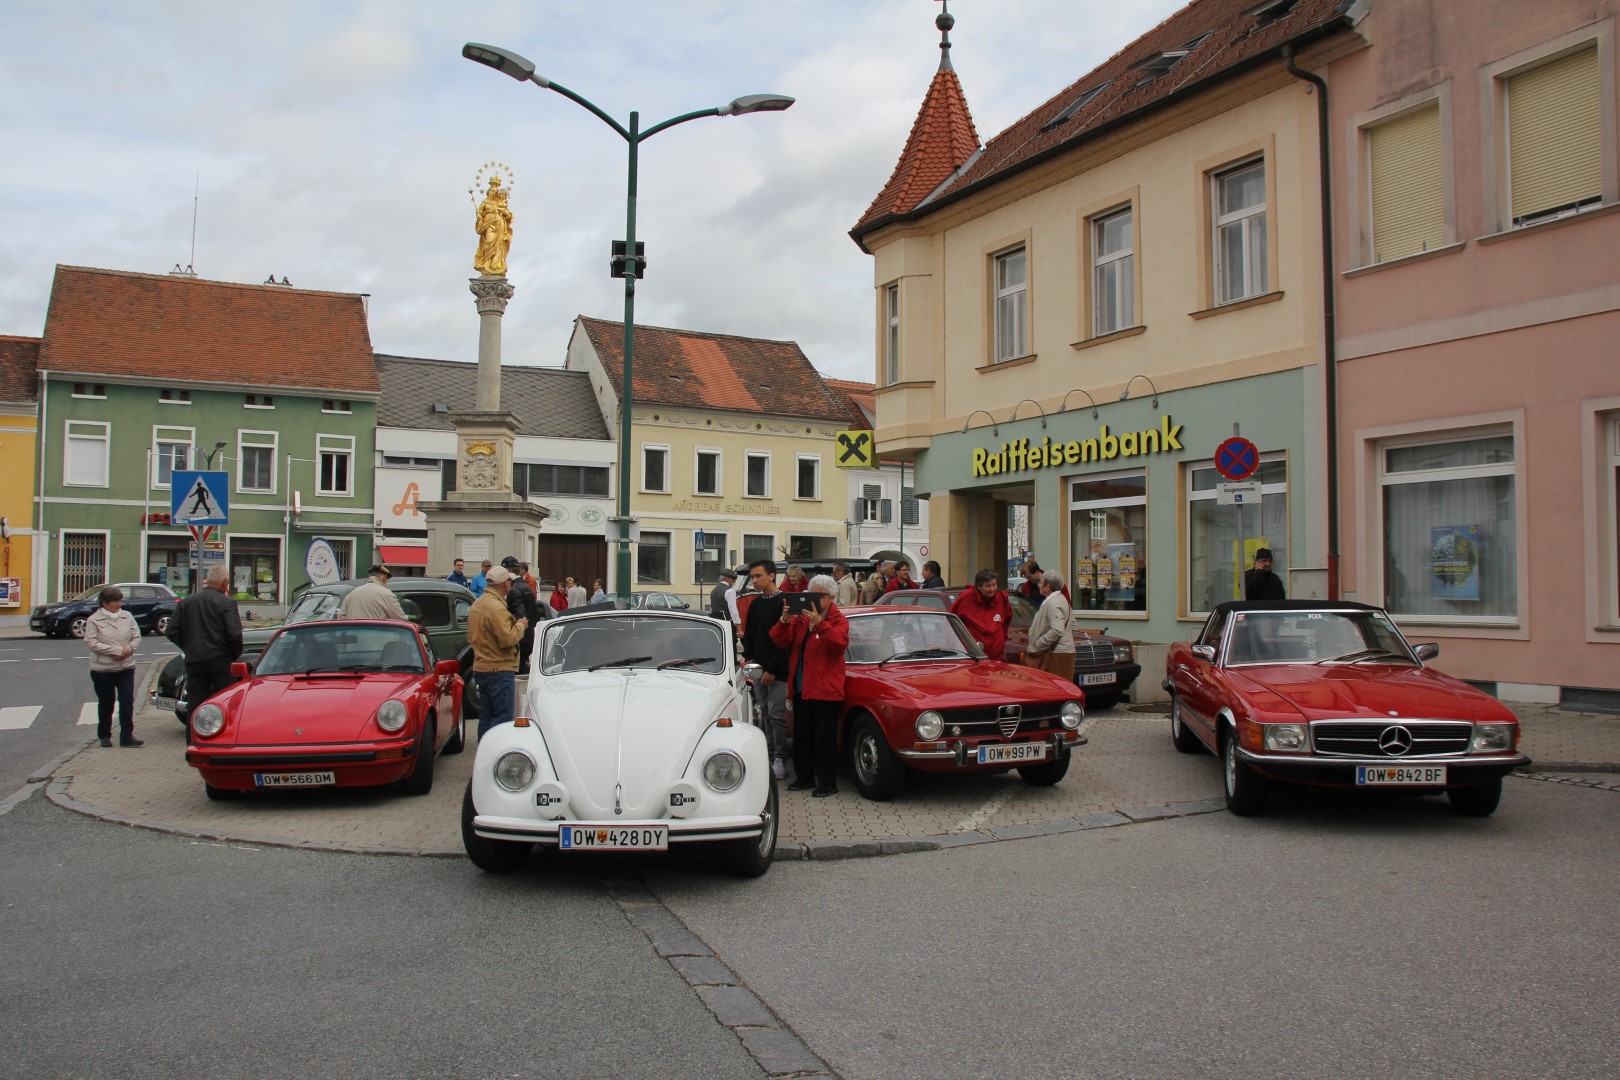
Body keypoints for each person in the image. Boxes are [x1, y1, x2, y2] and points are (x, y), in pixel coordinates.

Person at [769, 574, 848, 798]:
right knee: (802, 736)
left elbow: (838, 646)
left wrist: (820, 624)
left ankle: (827, 783)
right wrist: (784, 619)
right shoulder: (800, 619)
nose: (817, 599)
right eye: (814, 594)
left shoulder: (837, 620)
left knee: (824, 739)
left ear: (832, 597)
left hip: (825, 690)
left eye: (822, 595)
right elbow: (779, 639)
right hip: (802, 688)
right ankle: (804, 778)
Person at [167, 564, 244, 722]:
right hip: (221, 660)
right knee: (224, 701)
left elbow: (171, 631)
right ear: (224, 582)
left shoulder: (186, 602)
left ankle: (193, 741)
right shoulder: (226, 602)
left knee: (195, 702)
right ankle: (221, 740)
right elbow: (235, 634)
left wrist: (188, 647)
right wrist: (233, 654)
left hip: (194, 660)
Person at [740, 559, 789, 781]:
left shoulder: (783, 602)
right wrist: (748, 658)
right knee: (764, 713)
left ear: (771, 576)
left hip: (776, 672)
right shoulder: (756, 603)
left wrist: (772, 669)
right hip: (758, 669)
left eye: (758, 576)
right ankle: (767, 755)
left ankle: (780, 758)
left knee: (777, 715)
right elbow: (749, 633)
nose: (755, 580)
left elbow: (784, 641)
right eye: (753, 577)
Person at [467, 566, 528, 737]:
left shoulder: (477, 604)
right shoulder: (497, 608)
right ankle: (496, 755)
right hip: (499, 669)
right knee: (502, 718)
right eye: (509, 580)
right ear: (504, 584)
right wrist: (520, 626)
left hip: (481, 667)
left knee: (485, 716)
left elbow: (470, 636)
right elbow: (507, 639)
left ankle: (484, 754)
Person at [84, 586, 142, 747]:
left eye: (119, 601)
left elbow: (137, 637)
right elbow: (92, 643)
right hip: (103, 668)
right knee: (106, 702)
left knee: (126, 699)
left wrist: (127, 650)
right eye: (115, 601)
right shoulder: (94, 620)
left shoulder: (127, 616)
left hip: (126, 666)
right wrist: (116, 650)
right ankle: (104, 735)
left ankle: (127, 736)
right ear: (104, 603)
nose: (118, 604)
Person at [1025, 569, 1077, 687]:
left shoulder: (1053, 602)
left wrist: (1038, 644)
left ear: (1047, 586)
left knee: (1056, 689)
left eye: (1040, 582)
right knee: (1064, 687)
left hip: (1056, 654)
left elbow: (1057, 630)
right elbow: (1073, 625)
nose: (1038, 585)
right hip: (1062, 651)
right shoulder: (1062, 599)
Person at [950, 569, 1012, 661]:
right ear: (979, 586)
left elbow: (1007, 618)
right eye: (988, 586)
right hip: (973, 654)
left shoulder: (1001, 597)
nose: (992, 589)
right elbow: (952, 620)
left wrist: (1003, 638)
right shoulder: (966, 598)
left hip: (996, 654)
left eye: (994, 585)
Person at [501, 557, 541, 675]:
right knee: (522, 668)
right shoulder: (526, 586)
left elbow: (518, 616)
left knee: (517, 671)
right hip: (529, 636)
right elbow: (535, 612)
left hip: (520, 638)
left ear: (508, 570)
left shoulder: (514, 590)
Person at [472, 174, 514, 277]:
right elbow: (479, 212)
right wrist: (480, 219)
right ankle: (486, 263)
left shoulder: (500, 202)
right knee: (489, 242)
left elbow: (509, 216)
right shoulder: (485, 202)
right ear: (488, 192)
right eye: (491, 191)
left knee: (499, 245)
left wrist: (504, 212)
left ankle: (495, 264)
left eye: (495, 192)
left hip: (499, 224)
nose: (493, 193)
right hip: (488, 225)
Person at [340, 564, 406, 620]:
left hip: (353, 634)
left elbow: (341, 618)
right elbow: (400, 619)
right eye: (387, 579)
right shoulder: (386, 594)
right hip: (377, 634)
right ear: (384, 577)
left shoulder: (352, 594)